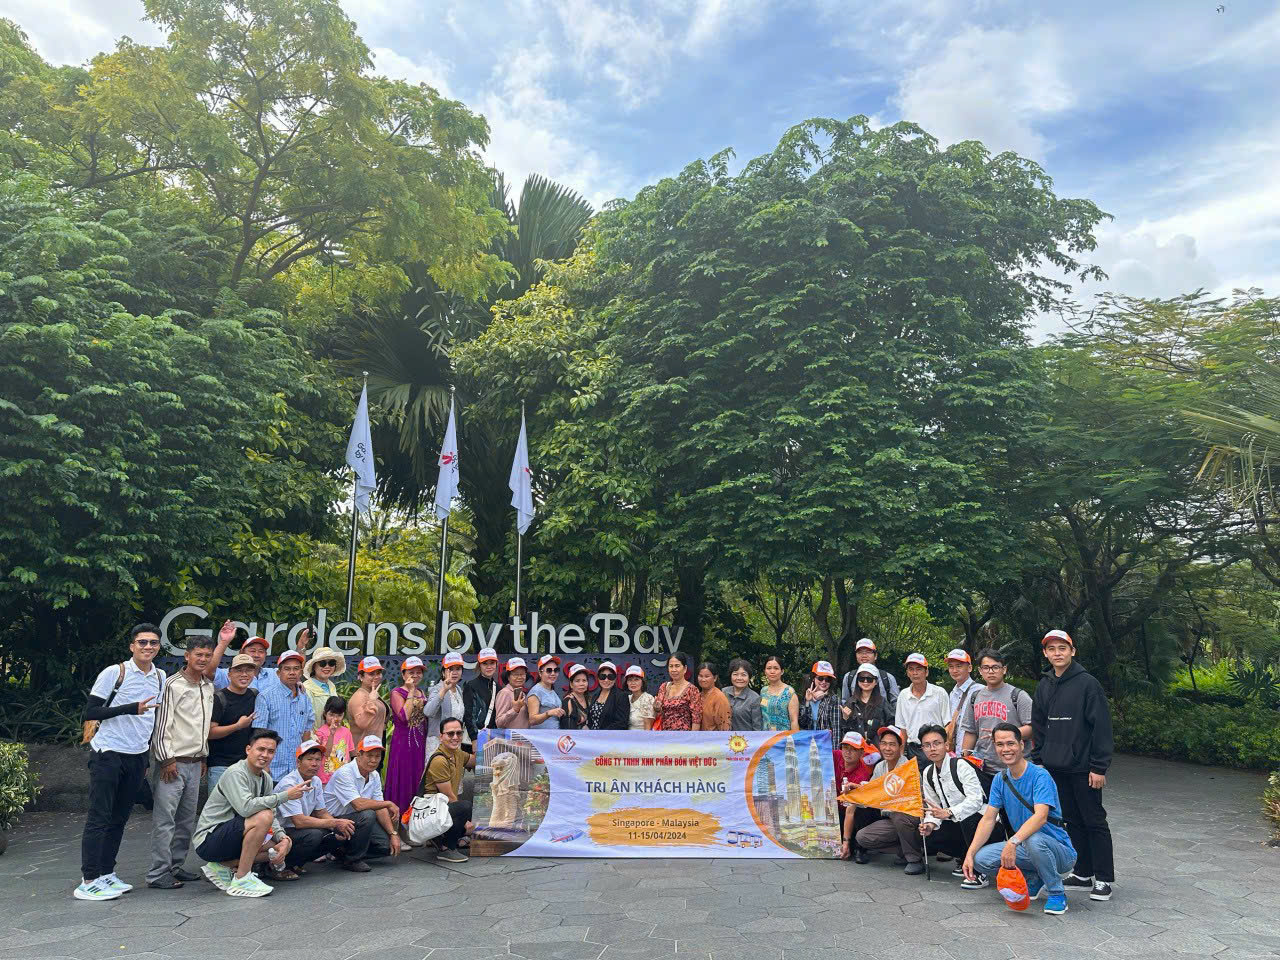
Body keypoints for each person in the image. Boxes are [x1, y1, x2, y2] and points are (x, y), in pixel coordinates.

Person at [76, 623, 167, 901]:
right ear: (132, 646)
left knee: (119, 818)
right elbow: (91, 711)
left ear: (159, 647)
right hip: (108, 753)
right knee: (99, 817)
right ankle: (89, 879)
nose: (148, 647)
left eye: (153, 642)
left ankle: (106, 873)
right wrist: (130, 708)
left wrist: (146, 757)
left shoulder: (160, 676)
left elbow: (151, 720)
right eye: (142, 642)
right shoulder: (115, 673)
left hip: (137, 756)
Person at [1032, 629, 1115, 902]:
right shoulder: (1044, 685)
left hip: (1084, 767)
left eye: (1062, 648)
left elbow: (1101, 727)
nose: (1057, 653)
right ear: (1045, 653)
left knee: (1094, 820)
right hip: (1055, 767)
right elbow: (1039, 726)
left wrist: (1099, 767)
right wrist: (1039, 761)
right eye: (1052, 649)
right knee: (1071, 820)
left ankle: (1103, 878)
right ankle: (1082, 872)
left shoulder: (1088, 684)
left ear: (1072, 651)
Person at [963, 722, 1077, 916]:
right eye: (1000, 744)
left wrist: (1013, 842)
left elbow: (1041, 817)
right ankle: (1035, 877)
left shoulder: (1040, 775)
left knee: (1033, 839)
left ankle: (1057, 892)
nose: (1006, 749)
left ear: (1021, 745)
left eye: (1010, 743)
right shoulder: (1000, 779)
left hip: (1060, 852)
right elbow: (988, 819)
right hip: (1027, 847)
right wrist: (970, 853)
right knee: (981, 859)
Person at [193, 728, 305, 898]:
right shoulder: (236, 772)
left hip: (235, 835)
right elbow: (246, 808)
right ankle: (242, 878)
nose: (265, 755)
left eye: (270, 751)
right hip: (209, 840)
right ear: (248, 749)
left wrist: (283, 838)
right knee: (263, 816)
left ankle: (222, 866)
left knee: (278, 847)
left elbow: (271, 813)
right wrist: (285, 796)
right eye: (261, 749)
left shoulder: (265, 778)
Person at [146, 636, 214, 889]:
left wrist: (203, 756)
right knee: (165, 820)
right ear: (187, 656)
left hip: (195, 762)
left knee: (186, 820)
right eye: (198, 654)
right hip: (173, 762)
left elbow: (202, 727)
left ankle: (175, 866)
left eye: (207, 655)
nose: (203, 659)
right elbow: (162, 725)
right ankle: (158, 873)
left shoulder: (208, 686)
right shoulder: (172, 685)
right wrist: (166, 760)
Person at [917, 724, 988, 888]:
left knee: (967, 818)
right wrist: (929, 824)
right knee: (929, 837)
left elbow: (976, 801)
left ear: (946, 745)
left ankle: (979, 871)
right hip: (957, 822)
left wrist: (949, 812)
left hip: (984, 823)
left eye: (937, 743)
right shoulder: (928, 772)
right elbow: (933, 807)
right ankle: (964, 858)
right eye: (927, 745)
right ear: (922, 749)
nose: (932, 748)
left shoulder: (961, 765)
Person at [274, 738, 356, 877]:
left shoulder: (316, 781)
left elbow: (321, 812)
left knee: (337, 834)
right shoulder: (289, 784)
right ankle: (279, 867)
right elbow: (299, 821)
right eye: (309, 759)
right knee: (315, 835)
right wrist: (335, 823)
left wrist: (337, 828)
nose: (314, 763)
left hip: (298, 829)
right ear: (298, 762)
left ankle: (296, 863)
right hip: (280, 831)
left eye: (318, 759)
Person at [850, 726, 923, 873]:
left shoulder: (908, 767)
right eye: (884, 743)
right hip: (891, 818)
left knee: (899, 815)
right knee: (863, 837)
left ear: (900, 747)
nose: (887, 748)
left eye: (892, 744)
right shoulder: (880, 767)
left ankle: (914, 859)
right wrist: (854, 792)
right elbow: (872, 794)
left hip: (911, 817)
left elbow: (907, 801)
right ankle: (905, 850)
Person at [323, 735, 401, 871]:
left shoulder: (374, 775)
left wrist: (393, 834)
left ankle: (342, 852)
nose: (373, 760)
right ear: (359, 755)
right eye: (369, 755)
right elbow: (358, 805)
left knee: (386, 847)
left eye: (377, 756)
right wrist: (388, 803)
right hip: (334, 820)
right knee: (368, 814)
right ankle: (352, 860)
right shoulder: (345, 773)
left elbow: (380, 806)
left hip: (356, 820)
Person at [959, 647, 1034, 785]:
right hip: (984, 768)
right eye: (986, 668)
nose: (991, 671)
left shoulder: (1018, 696)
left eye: (995, 667)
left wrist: (1001, 736)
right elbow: (970, 731)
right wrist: (964, 758)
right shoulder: (975, 697)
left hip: (1015, 768)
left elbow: (1032, 728)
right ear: (980, 671)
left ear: (1004, 669)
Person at [419, 716, 475, 863]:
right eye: (450, 734)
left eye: (459, 733)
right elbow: (449, 797)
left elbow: (474, 760)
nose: (455, 737)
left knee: (466, 811)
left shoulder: (457, 753)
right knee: (464, 807)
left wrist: (485, 742)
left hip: (441, 810)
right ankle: (446, 848)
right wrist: (465, 823)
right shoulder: (439, 760)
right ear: (441, 736)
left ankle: (441, 838)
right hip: (432, 813)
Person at [256, 649, 316, 781]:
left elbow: (306, 731)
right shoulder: (266, 697)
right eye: (287, 669)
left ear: (301, 672)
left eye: (296, 669)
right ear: (278, 673)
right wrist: (264, 765)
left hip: (297, 770)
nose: (292, 672)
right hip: (272, 768)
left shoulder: (304, 698)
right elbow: (259, 734)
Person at [207, 654, 260, 793]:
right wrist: (237, 726)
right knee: (218, 806)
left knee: (245, 806)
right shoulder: (219, 698)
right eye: (239, 670)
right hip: (220, 766)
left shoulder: (255, 695)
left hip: (246, 765)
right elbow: (210, 733)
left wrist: (297, 686)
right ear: (229, 674)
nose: (244, 674)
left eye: (249, 670)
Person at [386, 655, 428, 814]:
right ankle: (398, 816)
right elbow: (404, 716)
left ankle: (415, 817)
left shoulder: (421, 692)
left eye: (418, 672)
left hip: (419, 743)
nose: (415, 675)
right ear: (403, 675)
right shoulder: (397, 693)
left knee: (417, 777)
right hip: (403, 743)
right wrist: (410, 692)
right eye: (411, 672)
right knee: (403, 778)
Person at [894, 653, 949, 757]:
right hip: (913, 749)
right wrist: (901, 756)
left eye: (919, 669)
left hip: (936, 748)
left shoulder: (939, 693)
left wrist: (946, 748)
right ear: (907, 673)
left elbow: (947, 724)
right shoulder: (903, 695)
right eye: (911, 669)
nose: (915, 673)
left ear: (926, 672)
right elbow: (902, 729)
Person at [207, 623, 276, 692]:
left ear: (266, 654)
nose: (256, 655)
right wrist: (224, 641)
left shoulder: (274, 674)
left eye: (261, 651)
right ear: (241, 652)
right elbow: (208, 670)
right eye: (252, 651)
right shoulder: (228, 674)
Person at [839, 638, 900, 711]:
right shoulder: (849, 677)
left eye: (868, 652)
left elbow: (897, 705)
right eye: (860, 652)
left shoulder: (887, 678)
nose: (864, 655)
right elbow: (845, 703)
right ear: (856, 656)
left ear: (875, 656)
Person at [425, 650, 466, 755]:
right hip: (438, 744)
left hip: (455, 742)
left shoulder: (459, 689)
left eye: (458, 669)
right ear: (443, 672)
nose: (455, 672)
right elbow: (428, 712)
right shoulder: (437, 689)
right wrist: (444, 690)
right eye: (450, 669)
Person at [842, 663, 890, 745]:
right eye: (861, 679)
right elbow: (844, 730)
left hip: (877, 748)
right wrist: (845, 718)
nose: (865, 681)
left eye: (869, 679)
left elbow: (891, 724)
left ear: (876, 682)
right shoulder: (851, 702)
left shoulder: (882, 702)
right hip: (855, 747)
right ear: (857, 681)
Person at [654, 654, 702, 731]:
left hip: (684, 736)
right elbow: (658, 712)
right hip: (664, 735)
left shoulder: (692, 690)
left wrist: (692, 737)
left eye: (677, 666)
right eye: (671, 666)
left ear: (685, 668)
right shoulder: (664, 687)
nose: (674, 670)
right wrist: (656, 707)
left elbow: (696, 719)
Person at [302, 646, 346, 729]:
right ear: (314, 666)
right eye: (322, 663)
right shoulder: (306, 688)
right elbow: (304, 719)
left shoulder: (331, 686)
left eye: (331, 663)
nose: (327, 666)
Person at [463, 647, 503, 740]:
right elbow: (469, 716)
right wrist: (474, 738)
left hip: (494, 737)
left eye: (492, 663)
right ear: (479, 665)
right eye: (485, 663)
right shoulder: (471, 686)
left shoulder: (498, 687)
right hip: (476, 738)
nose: (489, 667)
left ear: (496, 664)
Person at [348, 656, 388, 746]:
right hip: (363, 750)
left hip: (375, 746)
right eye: (371, 674)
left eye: (378, 673)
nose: (376, 677)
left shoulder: (372, 693)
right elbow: (362, 723)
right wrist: (371, 701)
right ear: (361, 676)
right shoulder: (359, 696)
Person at [315, 695, 355, 785]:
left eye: (339, 715)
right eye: (331, 715)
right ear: (325, 713)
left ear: (343, 715)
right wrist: (331, 734)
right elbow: (325, 753)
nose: (335, 719)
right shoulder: (320, 732)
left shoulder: (346, 732)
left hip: (342, 779)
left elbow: (349, 755)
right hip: (324, 780)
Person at [800, 660, 843, 741]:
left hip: (826, 743)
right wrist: (807, 701)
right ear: (813, 678)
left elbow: (836, 729)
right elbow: (802, 723)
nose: (824, 682)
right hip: (809, 742)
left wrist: (835, 749)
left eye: (828, 679)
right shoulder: (807, 695)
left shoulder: (834, 700)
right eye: (820, 678)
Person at [944, 649, 978, 751]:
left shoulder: (979, 691)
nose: (954, 670)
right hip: (955, 751)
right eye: (951, 666)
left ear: (970, 668)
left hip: (974, 752)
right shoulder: (952, 693)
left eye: (959, 666)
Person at [759, 655, 799, 732]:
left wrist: (795, 737)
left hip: (783, 736)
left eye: (776, 668)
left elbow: (794, 721)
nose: (772, 671)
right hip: (765, 736)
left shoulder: (789, 692)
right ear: (765, 671)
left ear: (782, 671)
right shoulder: (763, 691)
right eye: (769, 668)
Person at [588, 661, 631, 730]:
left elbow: (621, 723)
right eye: (602, 676)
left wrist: (601, 734)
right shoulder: (595, 696)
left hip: (610, 736)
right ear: (598, 678)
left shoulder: (621, 696)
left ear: (615, 679)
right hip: (592, 736)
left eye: (610, 677)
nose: (606, 680)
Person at [722, 659, 763, 731]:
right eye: (735, 674)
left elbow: (757, 727)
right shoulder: (723, 692)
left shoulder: (754, 698)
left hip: (745, 738)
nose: (739, 678)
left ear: (749, 677)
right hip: (723, 737)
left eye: (743, 675)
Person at [528, 655, 566, 729]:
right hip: (541, 735)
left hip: (554, 734)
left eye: (556, 670)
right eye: (549, 670)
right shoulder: (536, 691)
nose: (553, 673)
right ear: (540, 673)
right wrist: (548, 713)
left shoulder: (552, 690)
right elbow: (532, 720)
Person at [495, 657, 531, 729]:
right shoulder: (505, 693)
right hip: (509, 736)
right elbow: (499, 722)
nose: (519, 677)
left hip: (523, 735)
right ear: (508, 677)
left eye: (522, 674)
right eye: (515, 674)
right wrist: (515, 709)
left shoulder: (523, 693)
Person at [697, 663, 731, 732]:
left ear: (715, 678)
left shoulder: (719, 697)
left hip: (714, 738)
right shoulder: (697, 695)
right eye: (700, 676)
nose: (703, 679)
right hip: (697, 737)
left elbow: (724, 727)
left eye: (707, 676)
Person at [560, 663, 592, 729]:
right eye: (577, 681)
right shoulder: (568, 702)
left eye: (584, 680)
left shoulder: (590, 699)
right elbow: (568, 729)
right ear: (571, 684)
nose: (581, 684)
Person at [624, 665, 656, 730]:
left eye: (636, 679)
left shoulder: (647, 699)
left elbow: (648, 728)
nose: (633, 683)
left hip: (641, 735)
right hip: (626, 735)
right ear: (626, 682)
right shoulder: (627, 698)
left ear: (642, 682)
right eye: (630, 680)